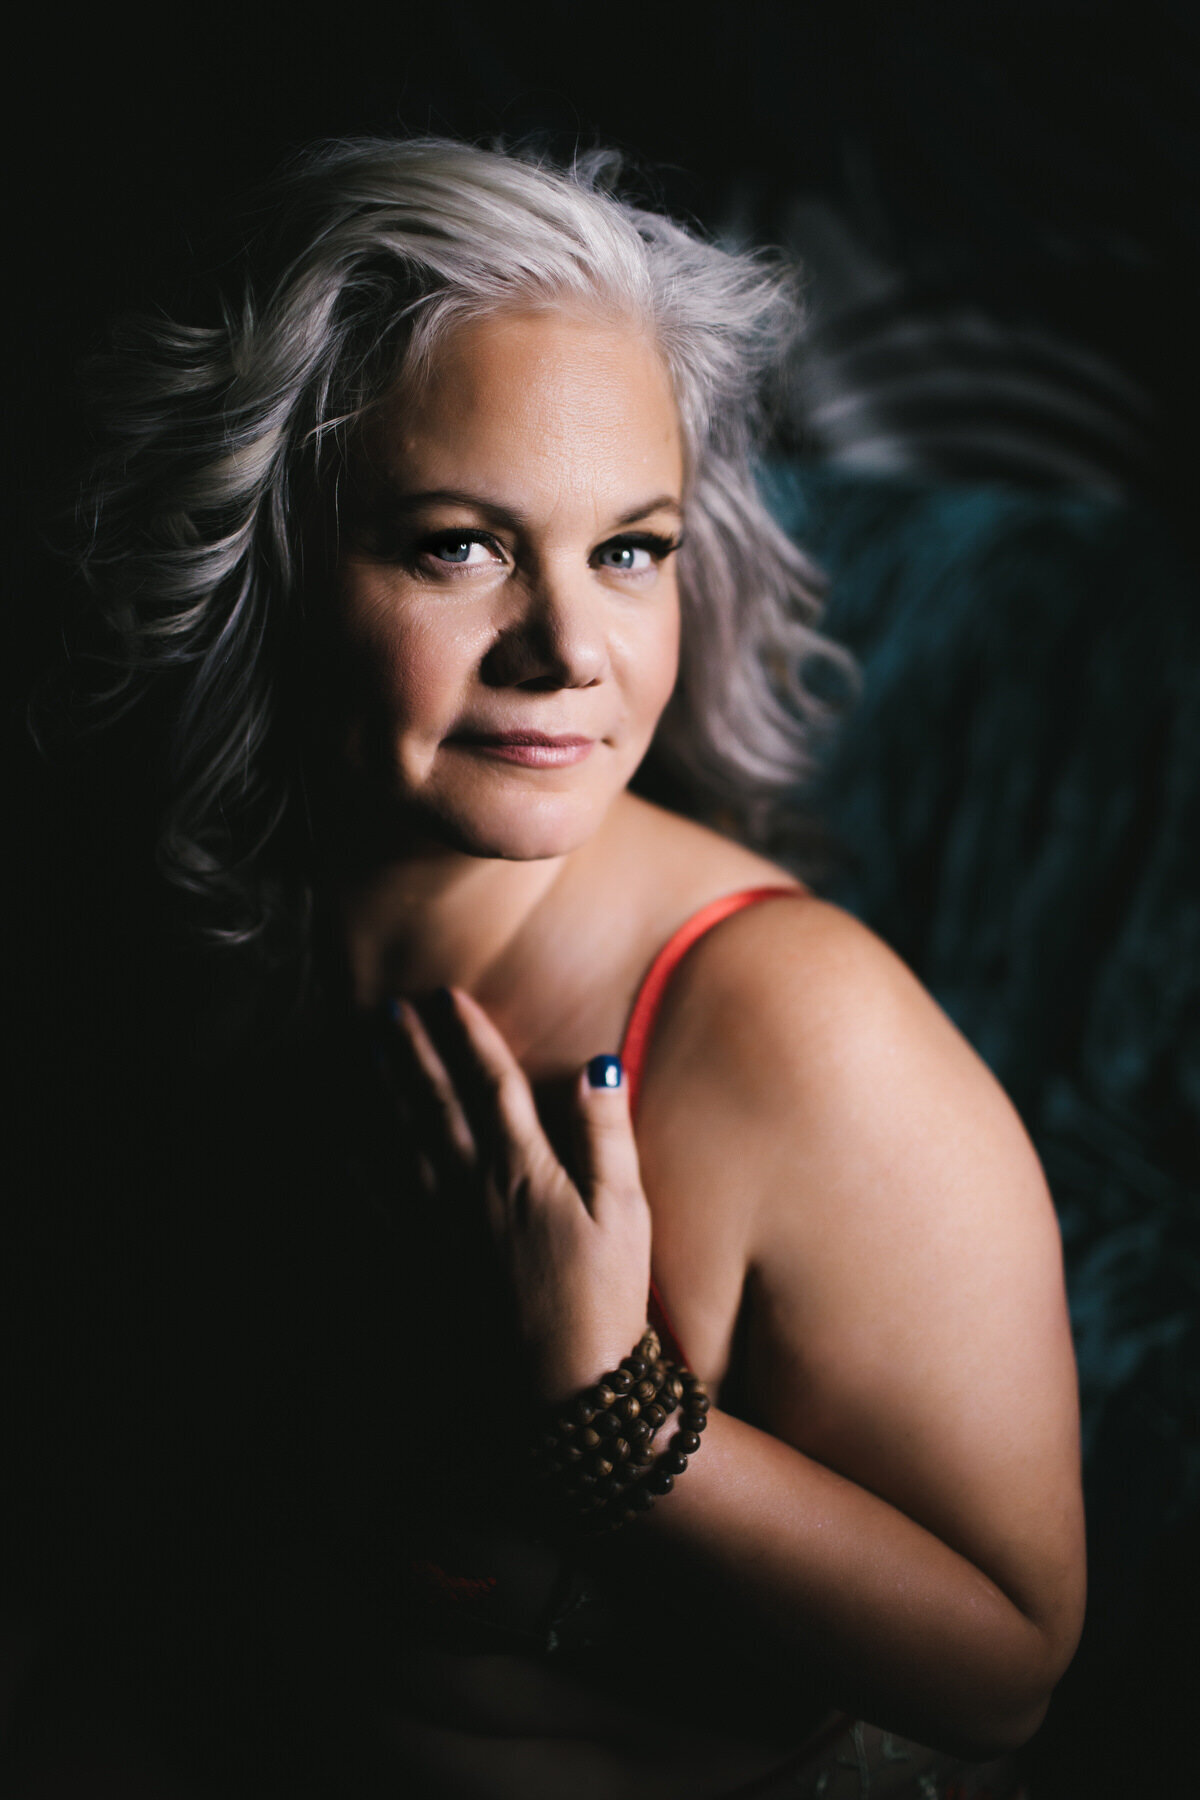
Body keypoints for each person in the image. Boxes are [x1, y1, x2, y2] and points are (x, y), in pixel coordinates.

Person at [15, 139, 1085, 1798]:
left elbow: (1010, 1673)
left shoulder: (807, 1039)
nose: (571, 649)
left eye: (630, 549)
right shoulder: (171, 928)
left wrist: (611, 1413)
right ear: (265, 546)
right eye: (460, 544)